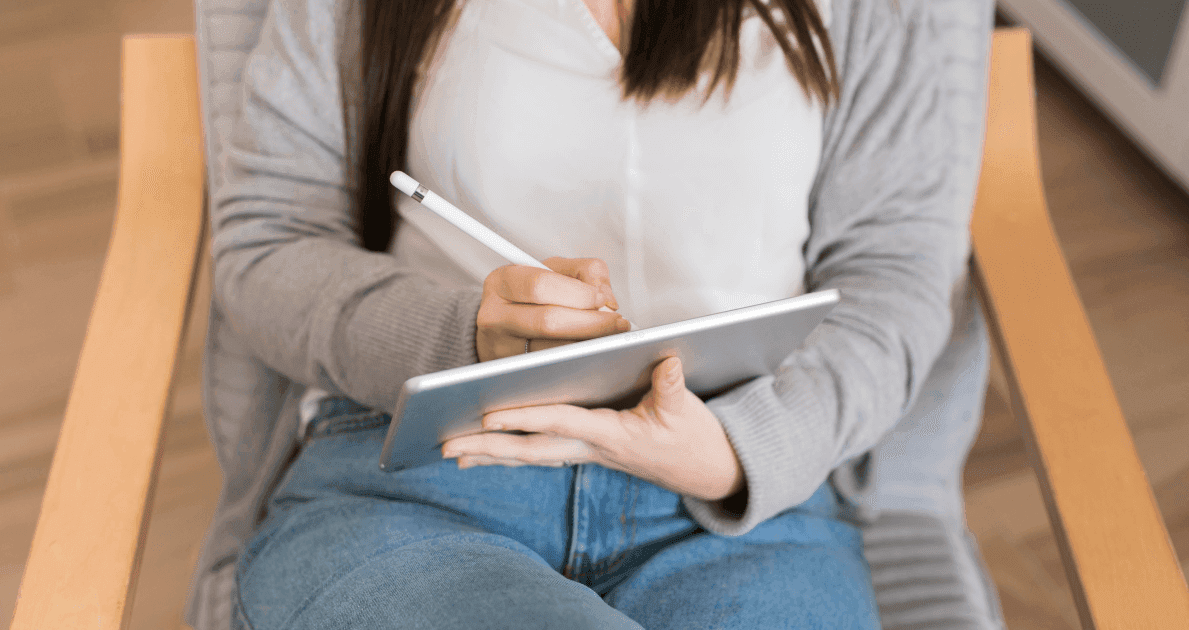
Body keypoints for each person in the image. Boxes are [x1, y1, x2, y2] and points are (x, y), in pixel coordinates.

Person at [199, 0, 972, 626]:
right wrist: (462, 335)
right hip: (426, 474)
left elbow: (893, 276)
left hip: (742, 503)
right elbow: (270, 242)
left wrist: (740, 454)